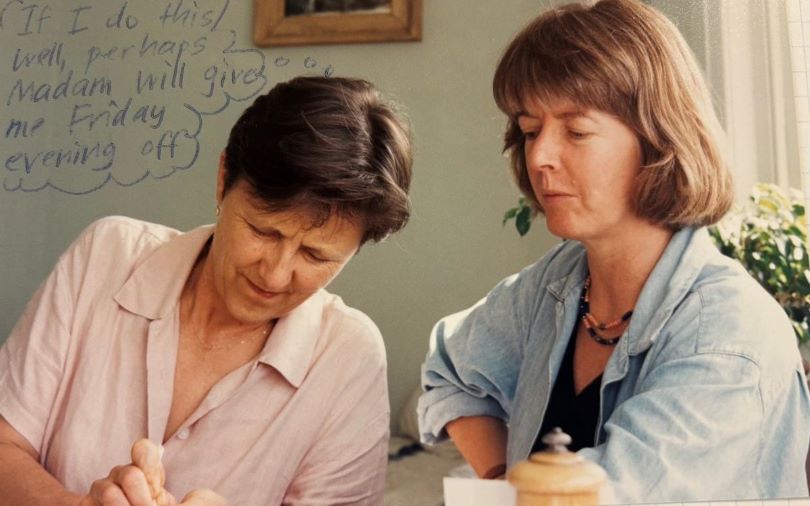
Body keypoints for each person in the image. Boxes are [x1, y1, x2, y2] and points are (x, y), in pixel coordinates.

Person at [418, 0, 810, 502]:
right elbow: (449, 369)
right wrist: (499, 480)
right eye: (529, 130)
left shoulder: (729, 335)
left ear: (658, 138)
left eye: (576, 131)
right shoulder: (556, 282)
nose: (539, 156)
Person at [0, 76, 413, 506]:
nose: (274, 276)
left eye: (315, 256)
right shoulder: (107, 257)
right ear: (222, 180)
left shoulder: (348, 359)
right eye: (261, 230)